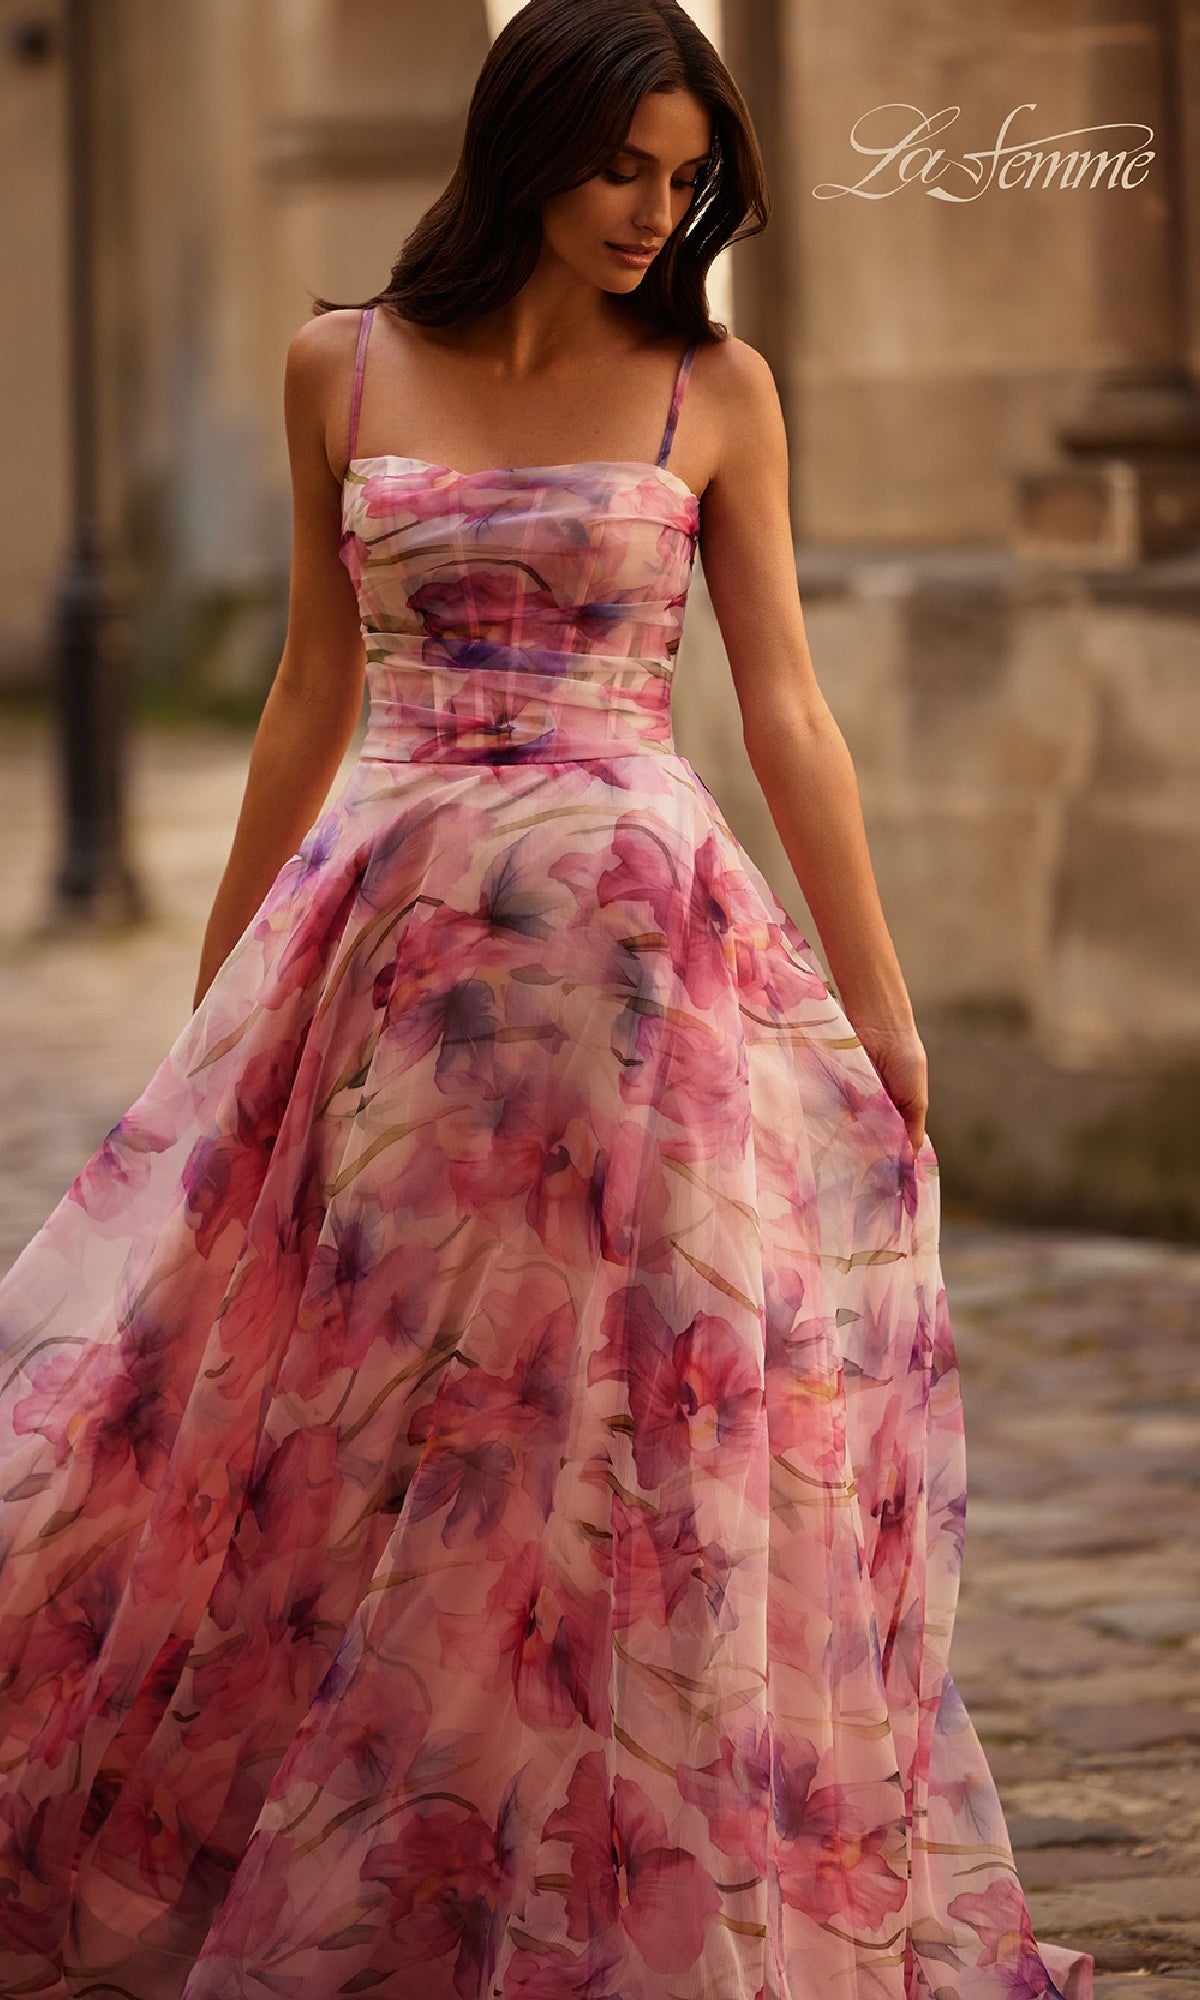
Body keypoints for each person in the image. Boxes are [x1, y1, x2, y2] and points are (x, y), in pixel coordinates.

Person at [0, 2, 1095, 1997]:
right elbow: (308, 696)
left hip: (643, 987)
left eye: (687, 182)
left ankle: (601, 1873)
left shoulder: (716, 387)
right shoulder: (338, 362)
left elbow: (784, 709)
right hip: (400, 972)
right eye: (626, 167)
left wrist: (886, 1008)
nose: (654, 211)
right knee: (386, 1396)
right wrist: (221, 1000)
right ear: (528, 142)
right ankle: (381, 1843)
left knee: (613, 1421)